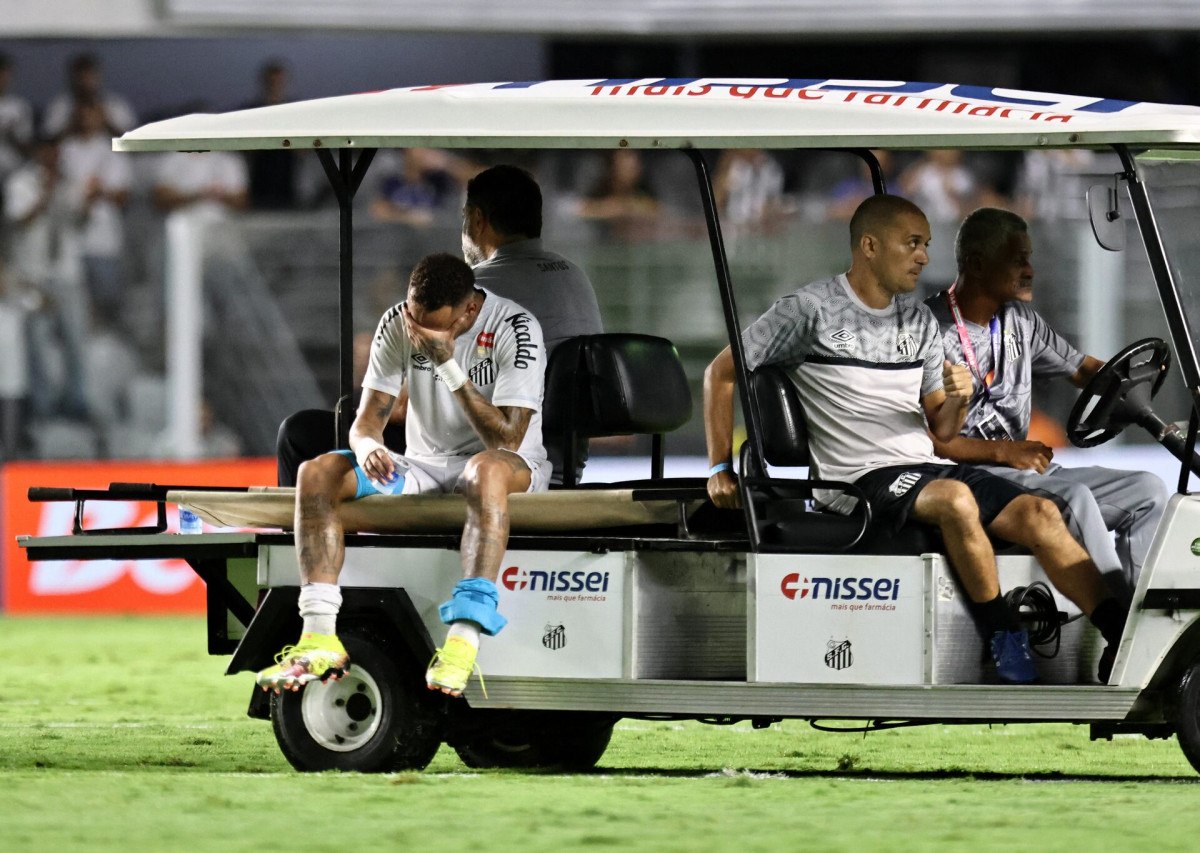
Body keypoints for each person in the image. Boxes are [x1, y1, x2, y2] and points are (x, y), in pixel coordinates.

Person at [703, 194, 1128, 684]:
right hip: (857, 481)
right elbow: (721, 374)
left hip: (923, 469)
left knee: (1041, 512)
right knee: (956, 499)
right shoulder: (809, 311)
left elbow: (940, 429)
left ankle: (1119, 634)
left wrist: (959, 399)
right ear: (869, 246)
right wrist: (720, 468)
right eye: (912, 244)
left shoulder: (919, 321)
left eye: (925, 244)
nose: (924, 256)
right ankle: (1002, 636)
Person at [257, 252, 551, 697]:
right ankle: (319, 637)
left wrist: (447, 364)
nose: (417, 332)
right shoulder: (399, 321)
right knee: (317, 471)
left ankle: (463, 640)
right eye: (414, 320)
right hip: (425, 464)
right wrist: (370, 448)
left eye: (432, 327)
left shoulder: (517, 327)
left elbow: (506, 439)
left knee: (483, 468)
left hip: (510, 464)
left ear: (469, 310)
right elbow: (366, 421)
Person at [276, 164, 602, 486]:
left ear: (477, 219)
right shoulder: (575, 277)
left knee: (298, 434)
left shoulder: (471, 292)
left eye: (464, 217)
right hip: (567, 462)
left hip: (486, 458)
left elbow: (403, 406)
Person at [925, 207, 1168, 599]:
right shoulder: (927, 329)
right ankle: (1117, 616)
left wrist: (1137, 378)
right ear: (977, 263)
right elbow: (930, 441)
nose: (1030, 270)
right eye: (1018, 260)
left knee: (1149, 490)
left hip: (1025, 470)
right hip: (966, 478)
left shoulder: (1021, 320)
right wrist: (1004, 452)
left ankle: (1142, 607)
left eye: (1029, 258)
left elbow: (1084, 370)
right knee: (1076, 498)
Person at [42, 53, 136, 141]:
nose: (86, 82)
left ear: (98, 76)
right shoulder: (60, 106)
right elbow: (46, 144)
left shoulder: (115, 104)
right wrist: (74, 124)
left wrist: (106, 123)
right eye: (81, 77)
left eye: (90, 76)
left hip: (107, 152)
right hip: (71, 152)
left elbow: (134, 144)